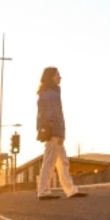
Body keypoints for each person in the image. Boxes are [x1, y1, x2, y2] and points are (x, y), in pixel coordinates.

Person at [36, 67, 86, 200]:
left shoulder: (47, 93)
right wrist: (59, 133)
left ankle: (70, 190)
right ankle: (43, 191)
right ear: (51, 77)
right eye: (57, 75)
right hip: (54, 132)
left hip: (53, 132)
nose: (60, 77)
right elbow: (54, 115)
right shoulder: (51, 94)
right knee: (50, 163)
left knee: (62, 162)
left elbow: (41, 116)